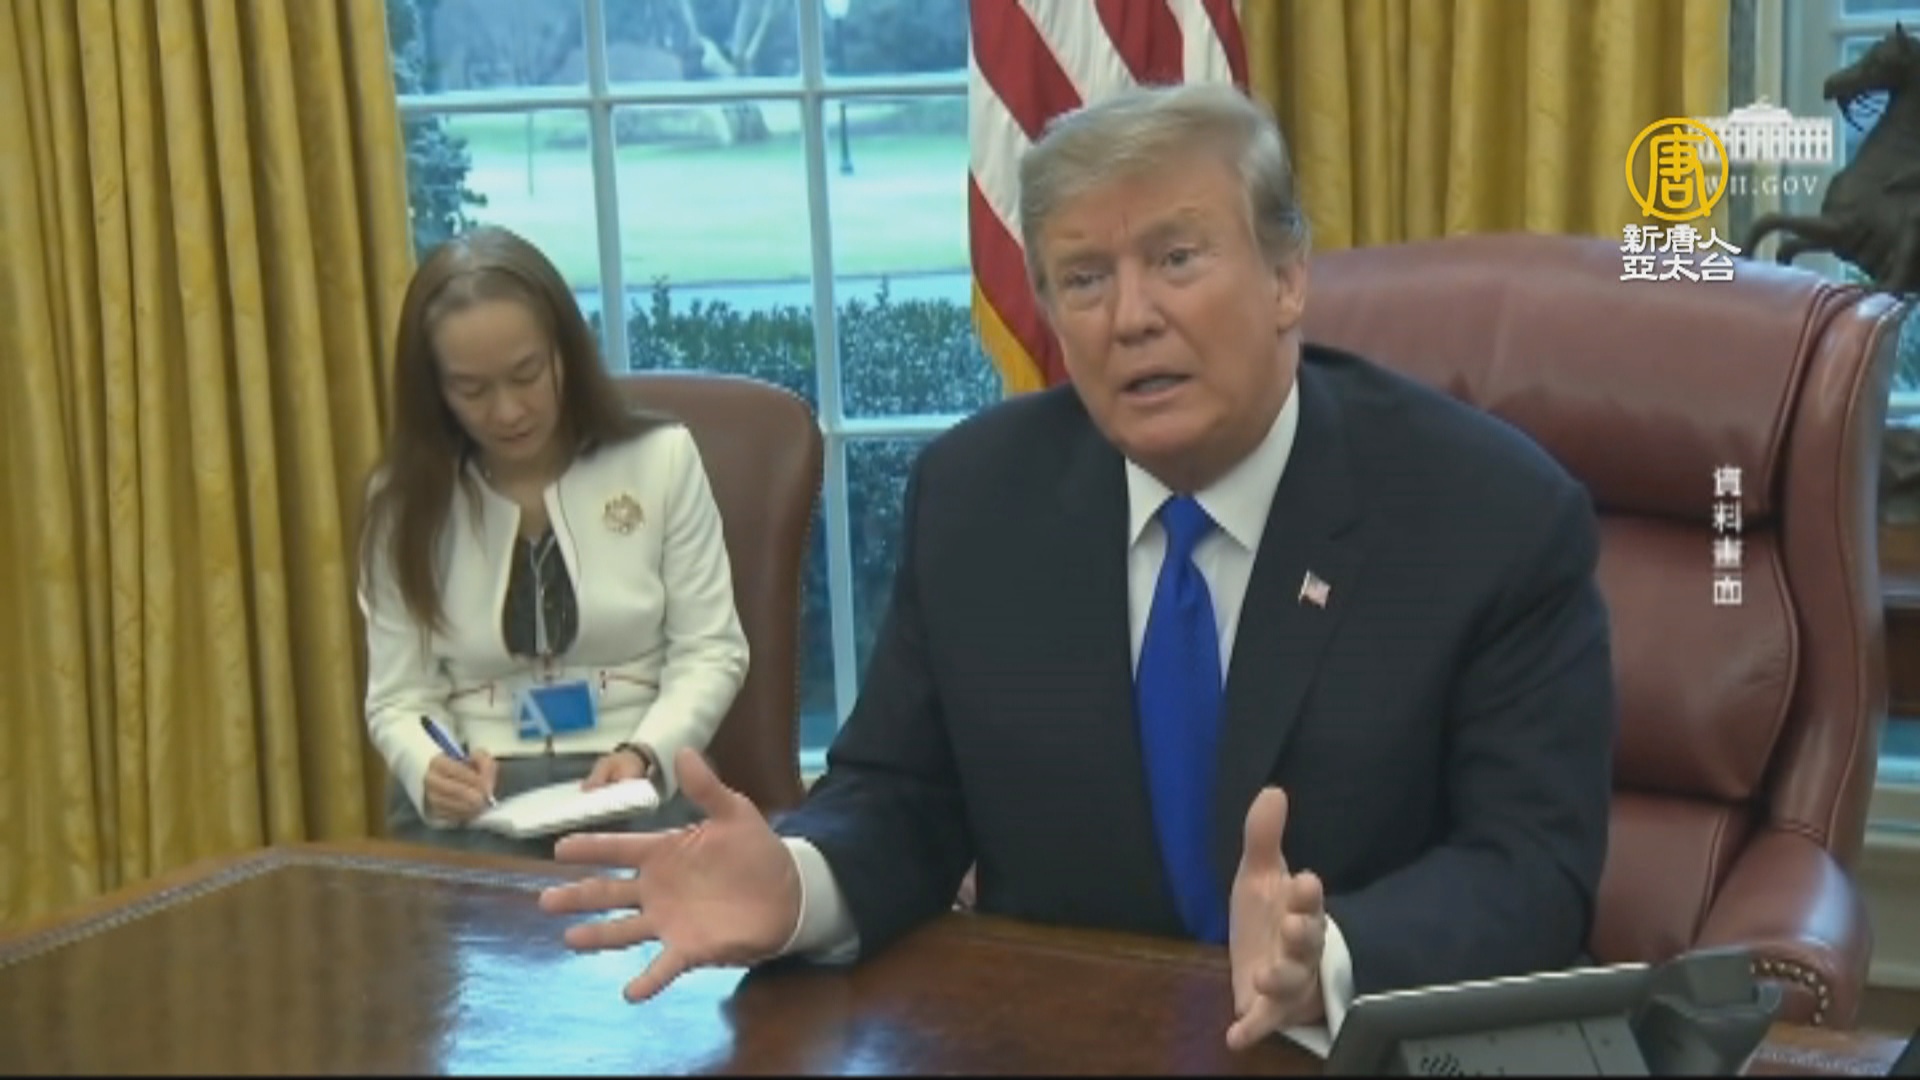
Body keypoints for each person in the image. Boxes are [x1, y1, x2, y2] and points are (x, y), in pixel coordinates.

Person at [537, 82, 1615, 1054]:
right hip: (1059, 1039)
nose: (1131, 318)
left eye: (1178, 259)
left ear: (1288, 278)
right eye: (1085, 279)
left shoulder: (1491, 515)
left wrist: (1327, 957)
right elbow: (904, 793)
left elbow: (1533, 866)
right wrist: (799, 880)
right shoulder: (977, 497)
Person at [357, 224, 749, 859]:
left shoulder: (662, 460)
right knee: (470, 918)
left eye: (526, 374)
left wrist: (645, 754)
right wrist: (432, 769)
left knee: (637, 907)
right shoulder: (403, 503)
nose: (508, 411)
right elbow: (400, 697)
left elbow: (712, 650)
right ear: (436, 391)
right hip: (480, 788)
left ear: (565, 353)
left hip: (631, 773)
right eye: (472, 390)